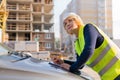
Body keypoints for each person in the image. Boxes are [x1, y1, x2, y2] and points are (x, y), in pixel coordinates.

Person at [53, 12, 120, 80]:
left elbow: (89, 50)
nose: (67, 24)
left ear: (77, 21)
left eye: (70, 20)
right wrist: (63, 61)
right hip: (108, 77)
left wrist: (71, 68)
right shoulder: (77, 43)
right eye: (65, 24)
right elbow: (80, 64)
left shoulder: (88, 28)